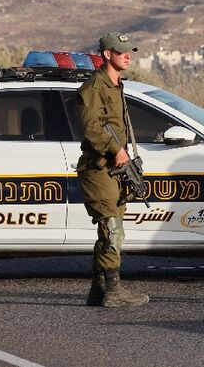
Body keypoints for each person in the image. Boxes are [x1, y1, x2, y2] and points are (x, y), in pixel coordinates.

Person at [76, 32, 149, 308]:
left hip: (113, 169)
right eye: (121, 52)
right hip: (98, 168)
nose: (127, 55)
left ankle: (99, 289)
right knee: (112, 228)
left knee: (110, 229)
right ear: (107, 54)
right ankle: (113, 291)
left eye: (129, 51)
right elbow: (91, 128)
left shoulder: (116, 85)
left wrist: (126, 156)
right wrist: (115, 149)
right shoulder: (94, 87)